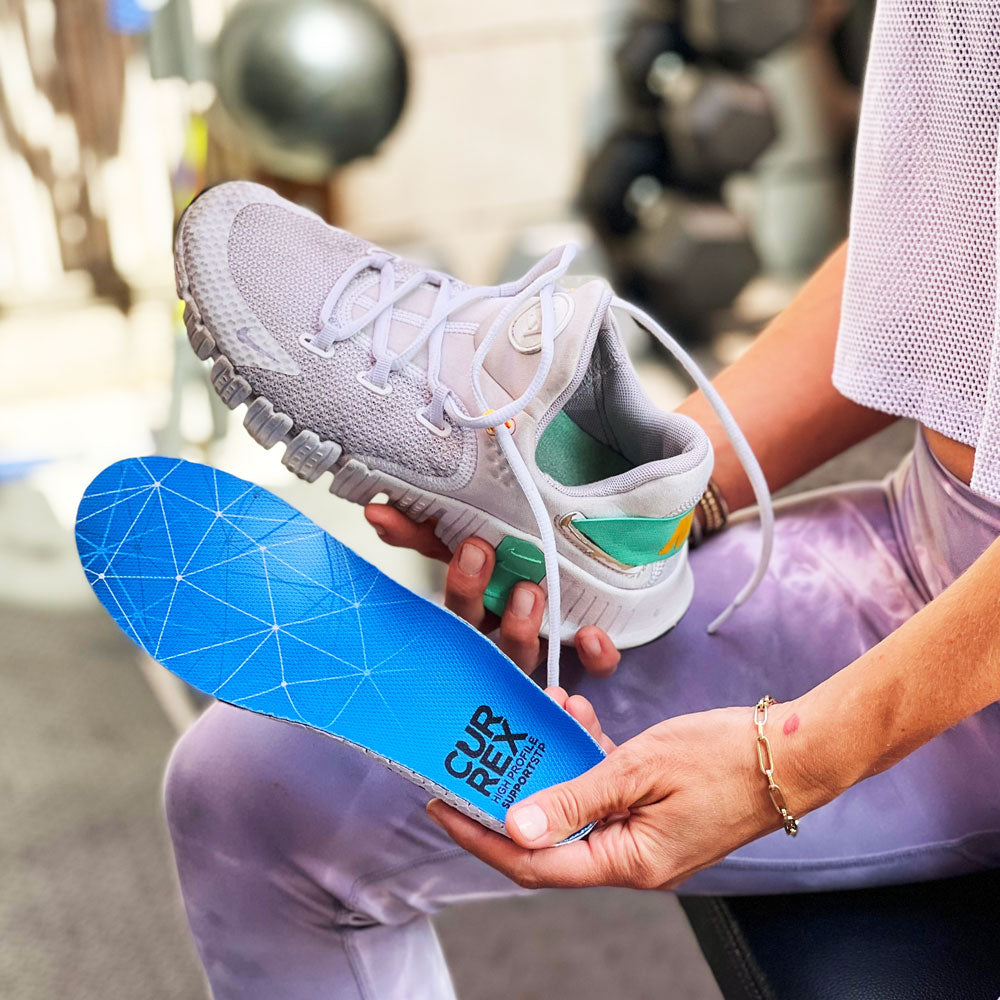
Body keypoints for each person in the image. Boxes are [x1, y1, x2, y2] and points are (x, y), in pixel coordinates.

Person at [163, 2, 1000, 997]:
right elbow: (950, 249)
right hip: (930, 540)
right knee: (255, 789)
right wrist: (645, 500)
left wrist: (793, 759)